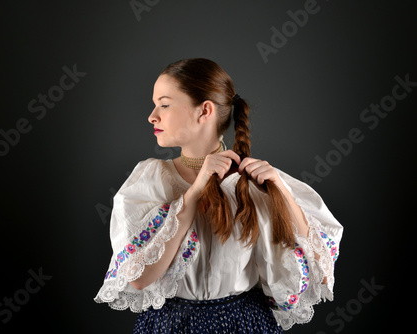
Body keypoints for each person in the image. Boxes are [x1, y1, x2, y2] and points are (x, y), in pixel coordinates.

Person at [94, 58, 343, 333]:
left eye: (164, 104)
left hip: (245, 324)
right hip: (170, 326)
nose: (152, 116)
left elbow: (321, 270)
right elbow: (139, 277)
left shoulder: (255, 183)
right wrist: (194, 192)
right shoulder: (151, 180)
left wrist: (282, 192)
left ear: (204, 111)